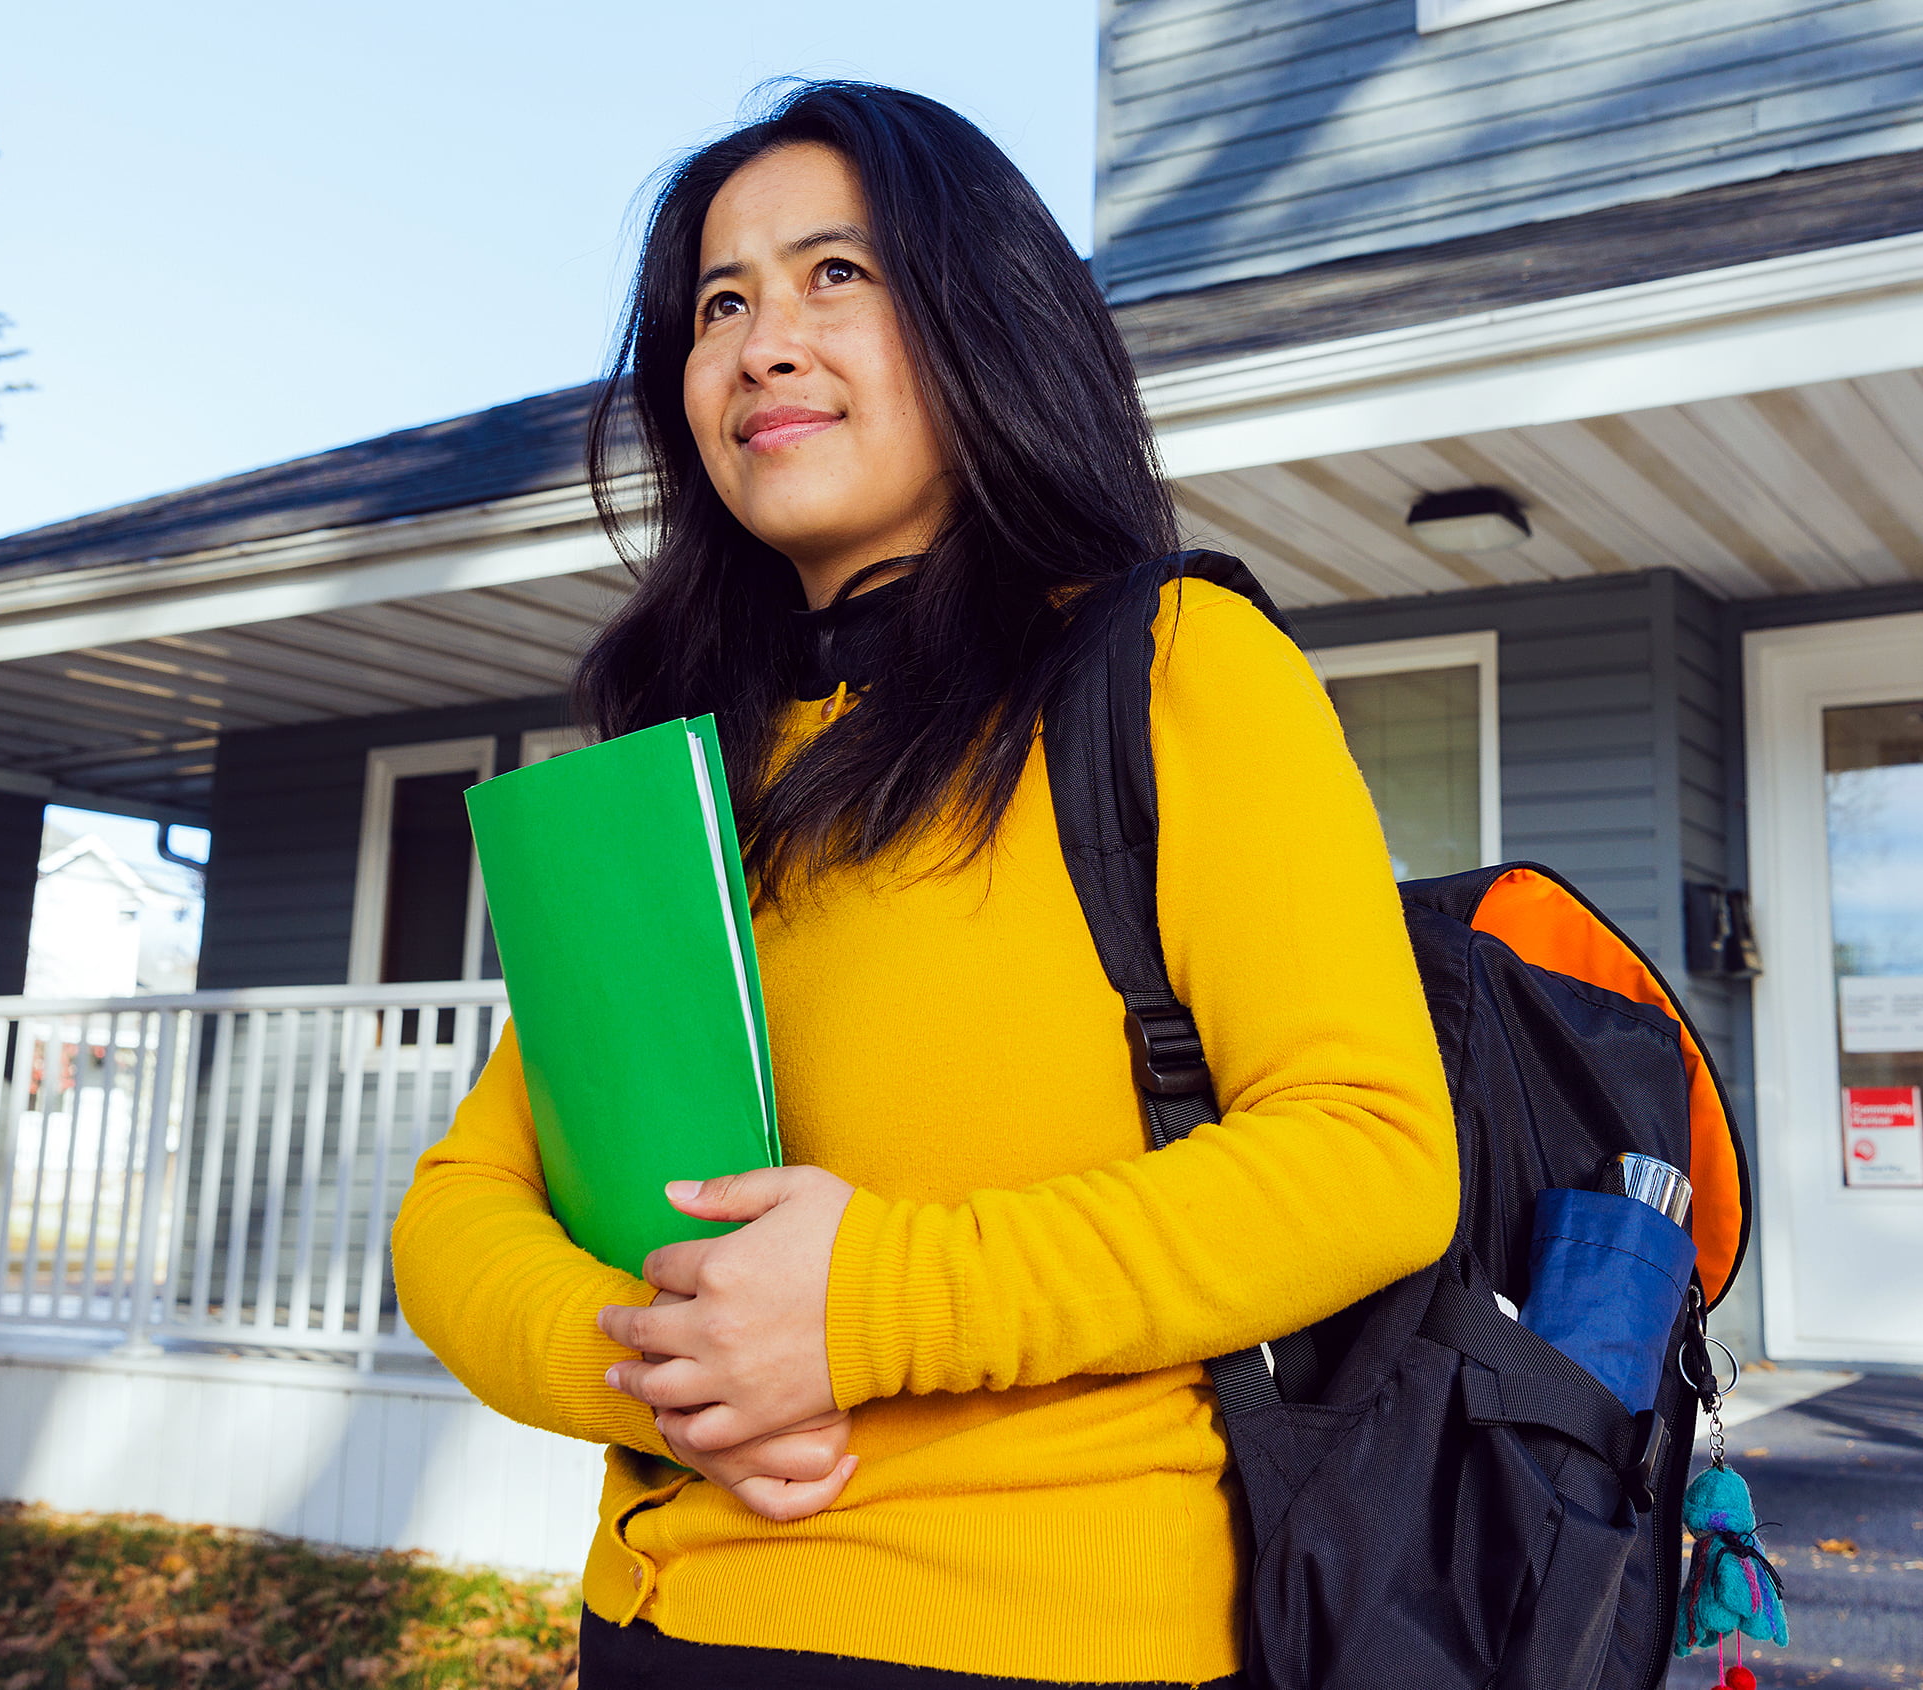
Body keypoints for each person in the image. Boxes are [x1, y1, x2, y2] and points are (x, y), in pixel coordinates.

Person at [389, 82, 1457, 1689]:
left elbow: (1371, 1153)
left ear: (985, 321)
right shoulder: (687, 783)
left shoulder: (1174, 672)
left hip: (1038, 1638)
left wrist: (869, 1302)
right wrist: (659, 1369)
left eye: (837, 275)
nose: (761, 343)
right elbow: (460, 1209)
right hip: (651, 1624)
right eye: (719, 303)